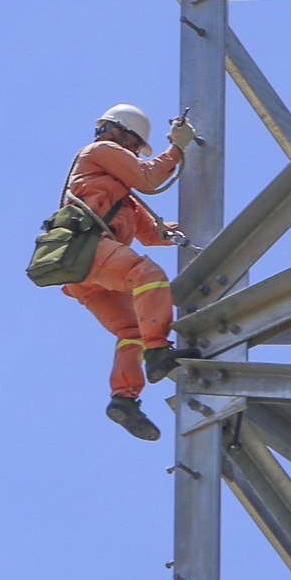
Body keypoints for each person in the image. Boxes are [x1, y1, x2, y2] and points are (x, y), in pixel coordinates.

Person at [60, 103, 202, 441]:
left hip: (85, 272)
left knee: (132, 331)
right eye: (136, 147)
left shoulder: (120, 195)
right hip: (89, 250)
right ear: (122, 135)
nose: (135, 153)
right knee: (148, 276)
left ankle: (124, 400)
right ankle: (158, 351)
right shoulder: (100, 151)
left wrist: (191, 229)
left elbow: (151, 233)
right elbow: (149, 178)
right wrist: (178, 147)